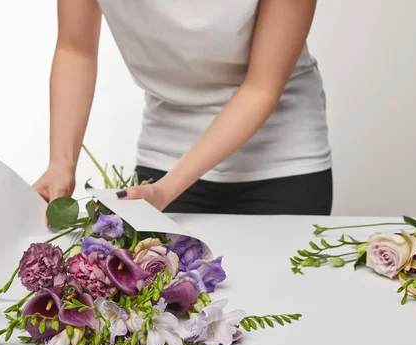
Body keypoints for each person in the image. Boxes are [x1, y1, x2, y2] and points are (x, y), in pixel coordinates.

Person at [33, 0, 333, 215]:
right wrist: (61, 164)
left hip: (281, 162)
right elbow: (76, 49)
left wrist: (165, 190)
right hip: (165, 156)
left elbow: (261, 87)